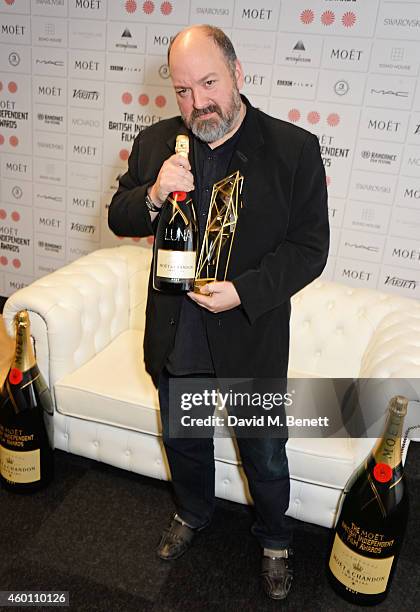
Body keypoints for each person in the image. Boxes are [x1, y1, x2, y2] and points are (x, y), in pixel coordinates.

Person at [108, 24, 329, 601]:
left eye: (208, 83)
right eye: (182, 90)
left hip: (249, 334)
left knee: (263, 452)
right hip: (178, 334)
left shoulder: (293, 149)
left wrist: (246, 291)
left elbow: (310, 248)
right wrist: (154, 194)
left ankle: (276, 539)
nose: (196, 102)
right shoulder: (157, 143)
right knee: (183, 442)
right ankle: (194, 514)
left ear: (237, 74)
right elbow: (120, 215)